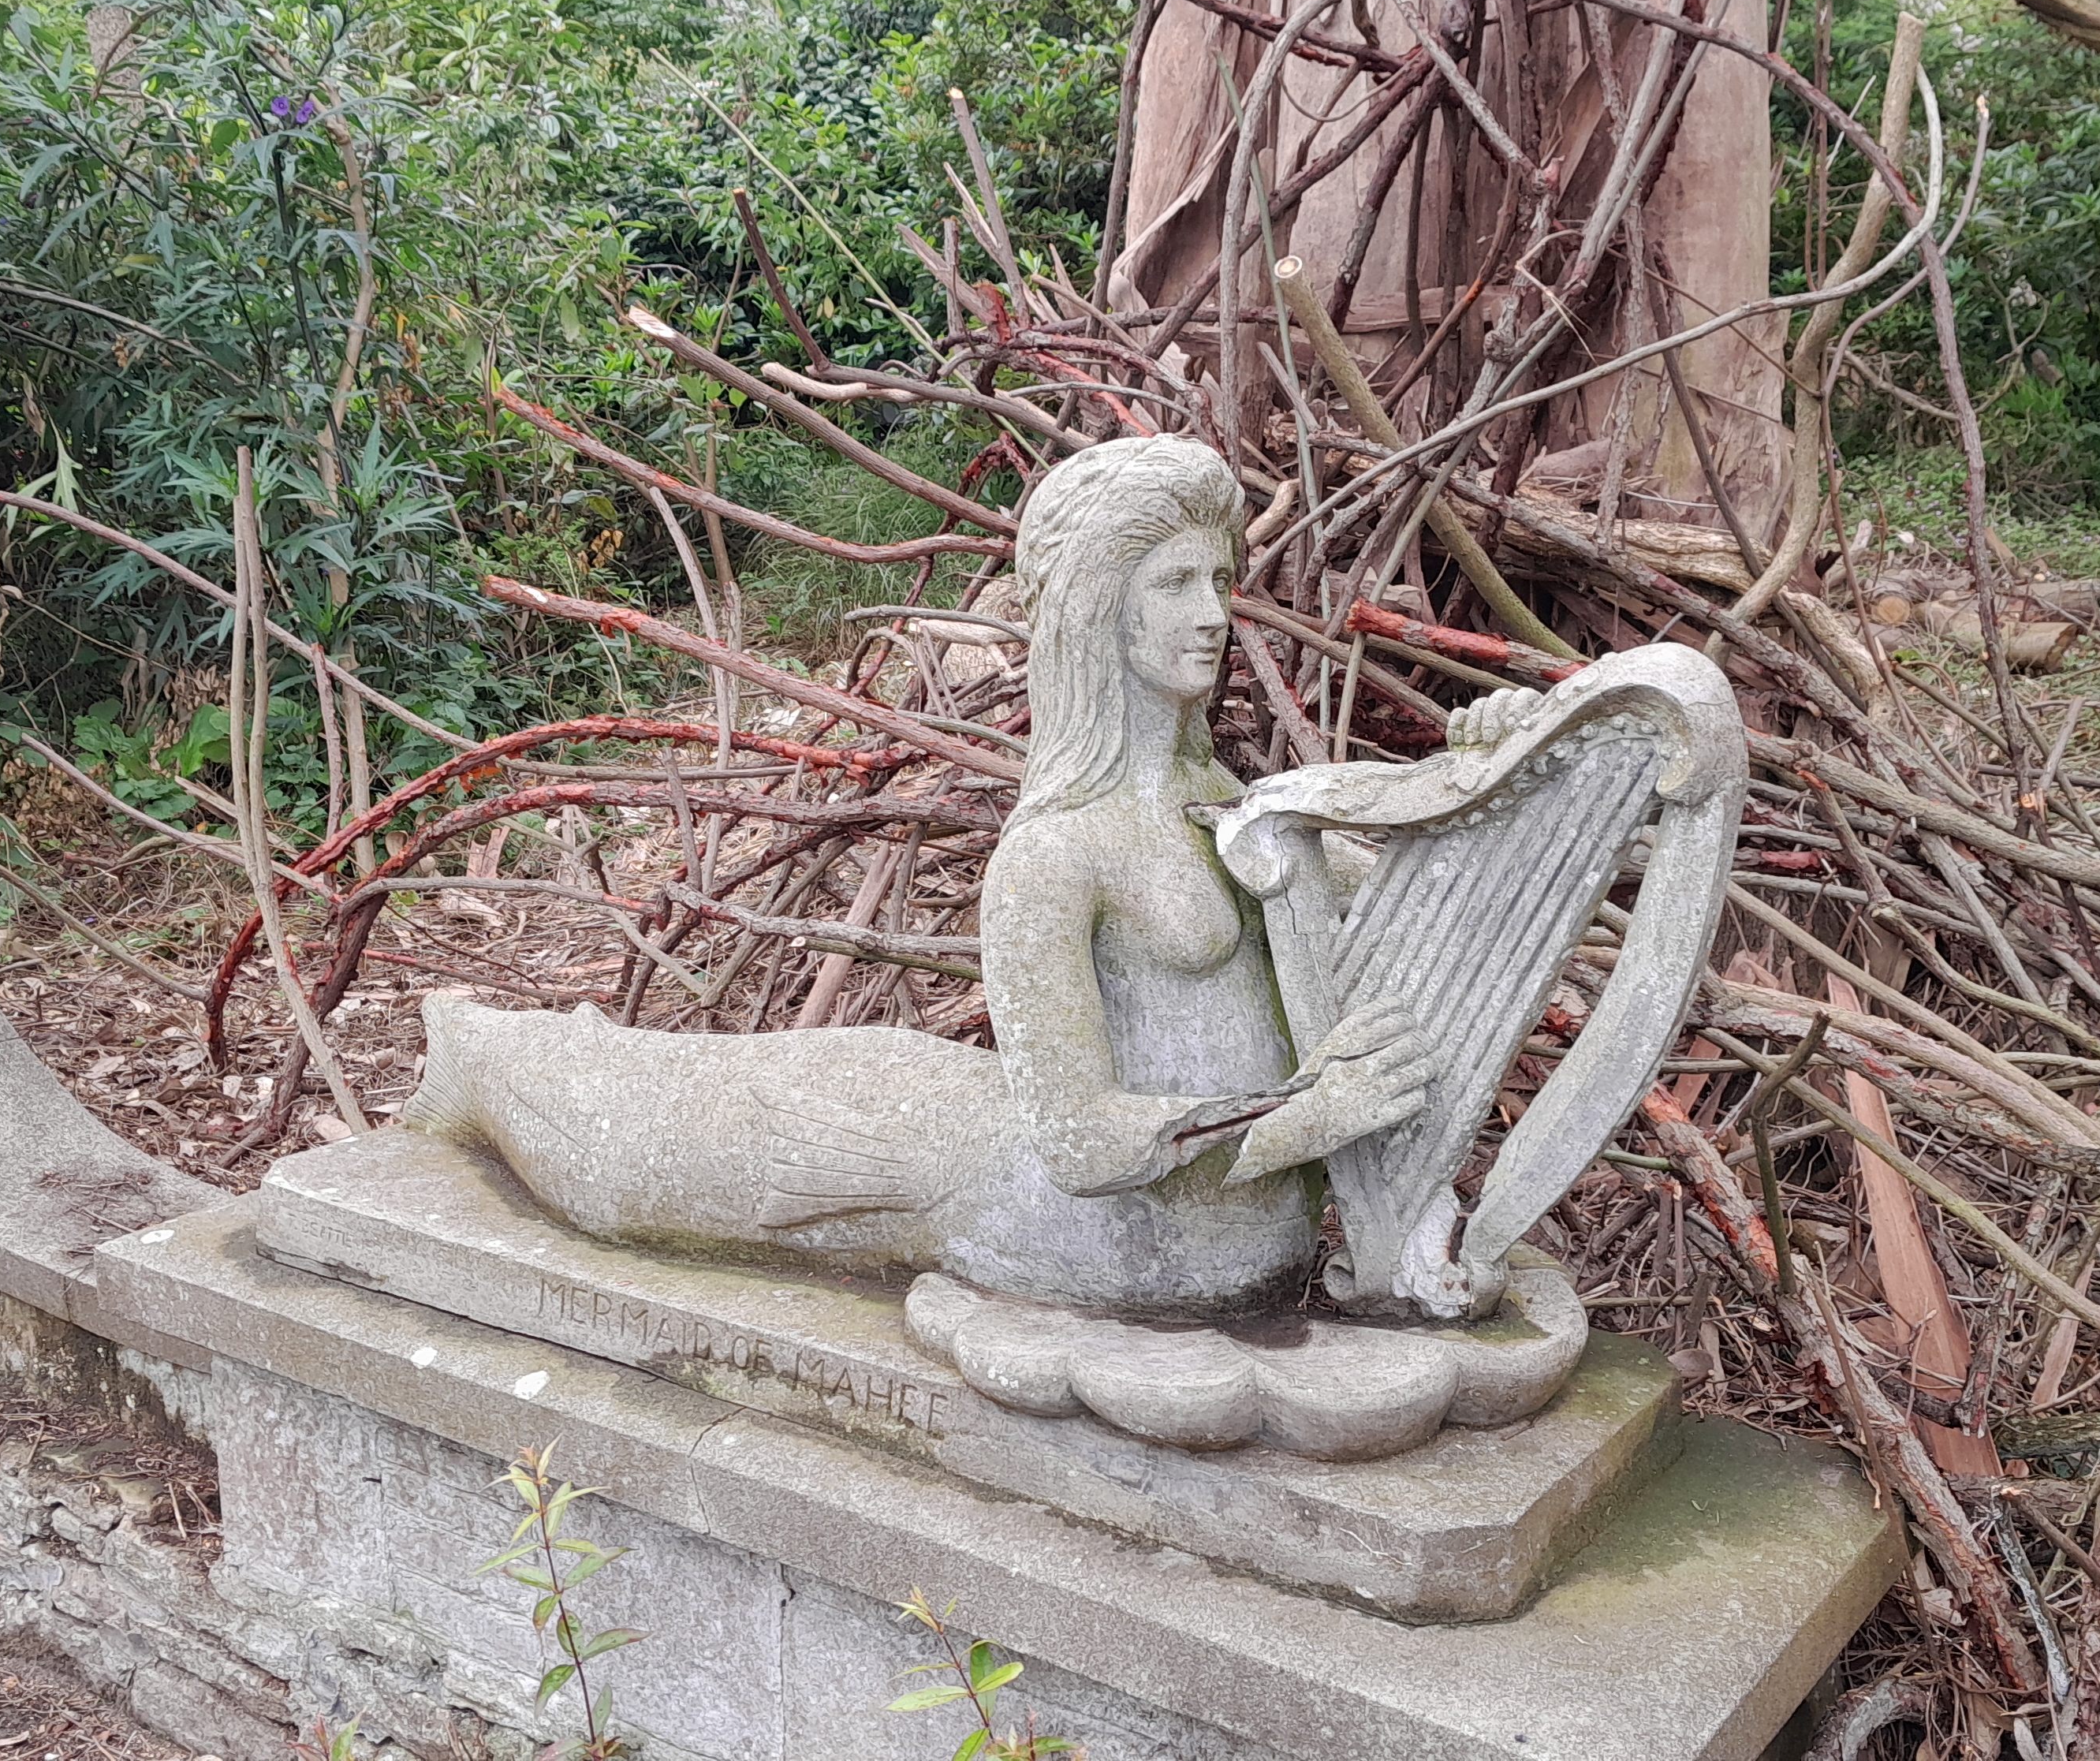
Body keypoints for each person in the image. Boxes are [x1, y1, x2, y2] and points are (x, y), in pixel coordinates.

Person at [403, 435, 1428, 1316]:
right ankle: (478, 1053)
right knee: (653, 1152)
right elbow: (1078, 1143)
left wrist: (1486, 777)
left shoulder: (1222, 800)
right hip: (1060, 1216)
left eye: (1219, 582)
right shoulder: (1056, 853)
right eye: (1174, 584)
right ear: (1098, 612)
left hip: (1208, 1231)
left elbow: (1404, 891)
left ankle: (515, 1056)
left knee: (755, 1105)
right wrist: (1301, 1118)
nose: (1212, 614)